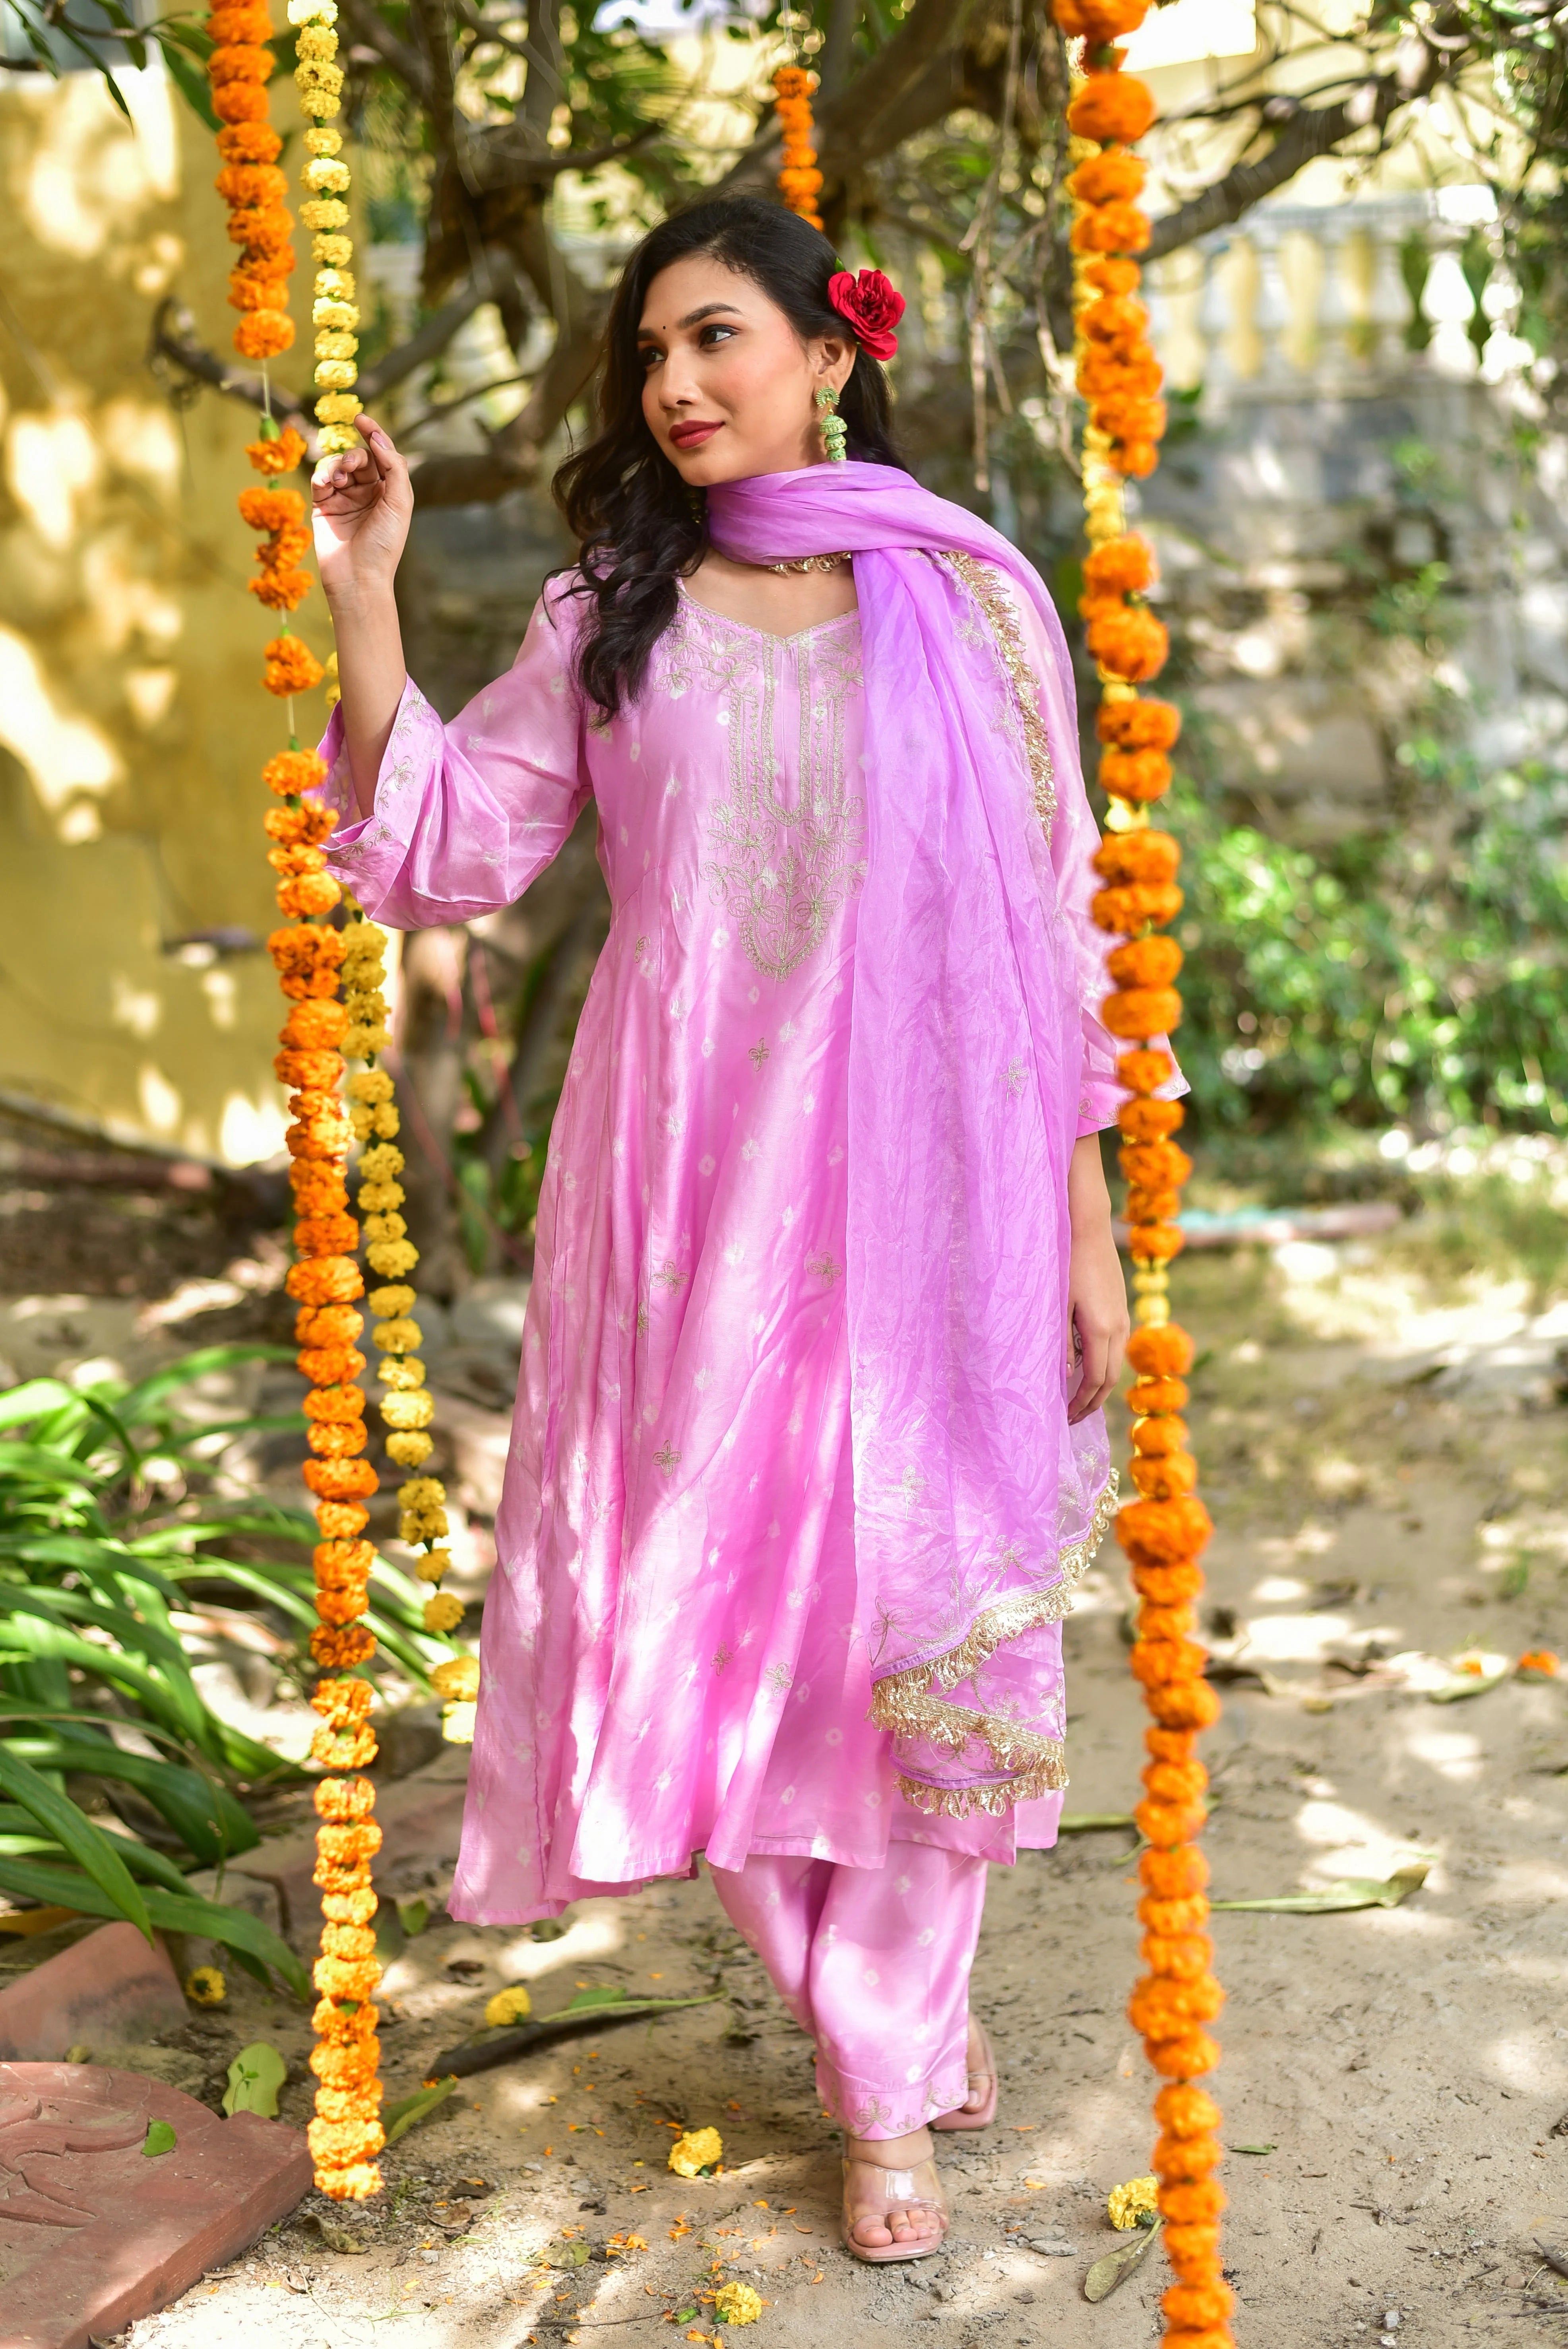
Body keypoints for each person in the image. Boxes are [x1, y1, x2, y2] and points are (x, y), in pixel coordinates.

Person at [310, 192, 1160, 2264]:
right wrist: (366, 592)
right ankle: (890, 2016)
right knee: (704, 1633)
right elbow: (438, 847)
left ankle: (884, 2076)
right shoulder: (614, 607)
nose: (676, 386)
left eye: (716, 340)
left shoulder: (975, 607)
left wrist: (1083, 1216)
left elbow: (1058, 930)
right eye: (650, 358)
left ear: (825, 351)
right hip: (684, 1201)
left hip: (930, 1205)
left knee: (925, 1627)